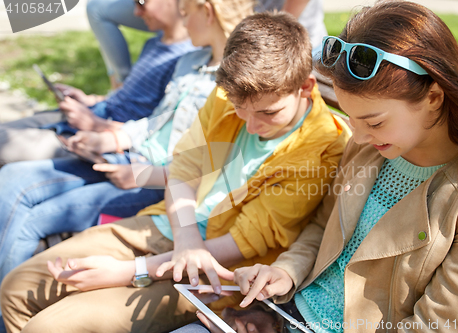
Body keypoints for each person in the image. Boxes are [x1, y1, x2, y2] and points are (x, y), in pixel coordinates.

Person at [0, 12, 351, 333]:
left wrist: (129, 271)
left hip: (214, 274)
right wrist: (186, 241)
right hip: (173, 229)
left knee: (50, 326)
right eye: (240, 109)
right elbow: (184, 166)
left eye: (268, 113)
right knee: (17, 287)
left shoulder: (323, 148)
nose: (252, 124)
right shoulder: (231, 92)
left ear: (305, 87)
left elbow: (245, 244)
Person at [206, 1, 458, 333]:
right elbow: (323, 226)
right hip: (285, 314)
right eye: (351, 118)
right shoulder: (369, 149)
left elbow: (441, 326)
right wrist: (286, 270)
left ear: (434, 97)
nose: (357, 136)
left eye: (373, 121)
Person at [0, 0, 253, 289]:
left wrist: (141, 175)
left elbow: (212, 161)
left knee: (32, 219)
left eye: (185, 14)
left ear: (207, 12)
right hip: (126, 159)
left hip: (155, 181)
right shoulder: (189, 62)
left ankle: (8, 311)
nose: (182, 23)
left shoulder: (235, 86)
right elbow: (155, 122)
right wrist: (109, 138)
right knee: (10, 177)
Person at [0, 0, 195, 166]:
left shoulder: (185, 62)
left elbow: (158, 133)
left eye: (141, 2)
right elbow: (129, 97)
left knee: (5, 145)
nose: (136, 12)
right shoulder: (155, 43)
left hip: (99, 138)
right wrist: (89, 99)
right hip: (92, 113)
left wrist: (96, 124)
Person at [86, 0, 327, 90]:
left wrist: (272, 32)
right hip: (239, 27)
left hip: (290, 39)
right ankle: (122, 85)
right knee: (97, 8)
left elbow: (284, 27)